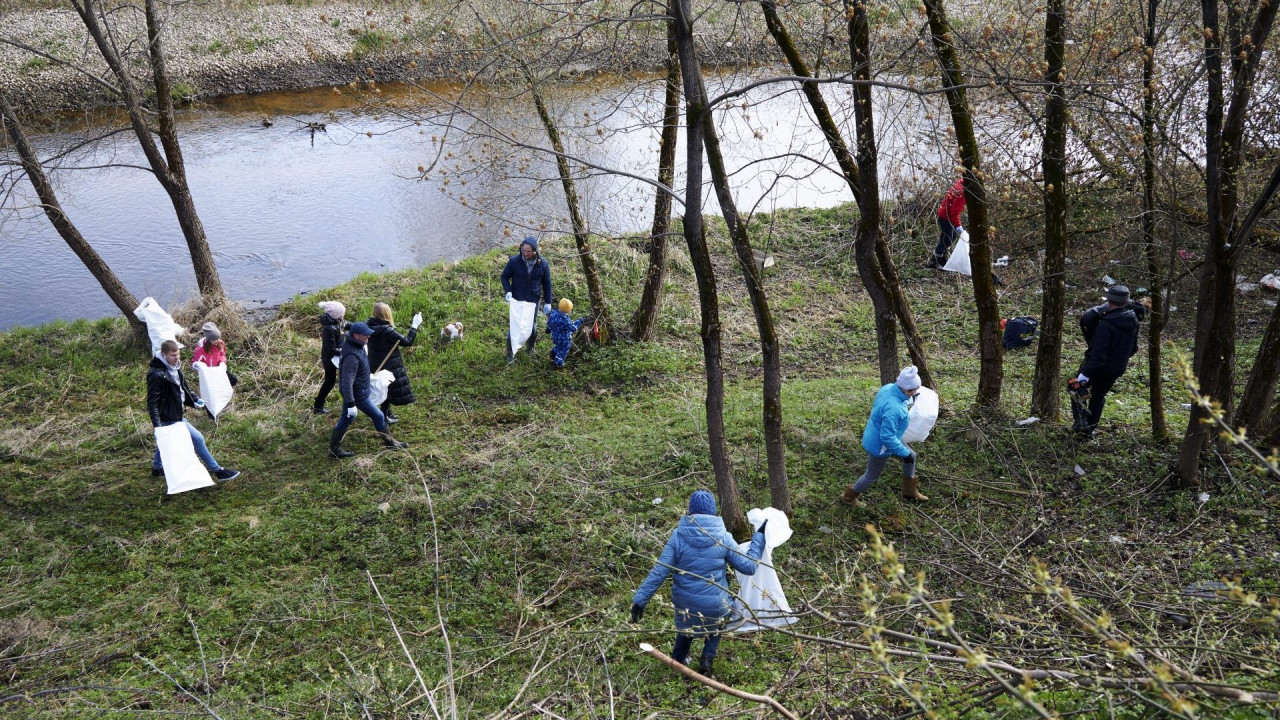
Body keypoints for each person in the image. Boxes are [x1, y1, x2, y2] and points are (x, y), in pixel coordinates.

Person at [630, 490, 767, 676]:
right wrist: (759, 538)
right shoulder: (723, 537)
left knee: (686, 627)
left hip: (686, 605)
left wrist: (639, 601)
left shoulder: (678, 536)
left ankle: (678, 660)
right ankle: (707, 660)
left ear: (690, 512)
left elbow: (659, 571)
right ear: (713, 512)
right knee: (717, 622)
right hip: (716, 605)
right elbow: (749, 567)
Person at [147, 339, 239, 483]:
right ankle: (218, 471)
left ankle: (157, 468)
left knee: (165, 442)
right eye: (173, 355)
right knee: (198, 439)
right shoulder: (156, 374)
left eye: (178, 354)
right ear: (164, 354)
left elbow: (183, 387)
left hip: (175, 413)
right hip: (168, 416)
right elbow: (152, 402)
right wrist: (158, 426)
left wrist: (195, 399)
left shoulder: (174, 366)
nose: (177, 358)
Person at [841, 366, 929, 505]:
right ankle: (849, 497)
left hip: (879, 433)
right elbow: (887, 438)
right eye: (911, 390)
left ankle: (909, 490)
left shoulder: (888, 388)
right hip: (880, 445)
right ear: (902, 387)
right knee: (871, 475)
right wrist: (902, 453)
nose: (914, 393)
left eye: (915, 389)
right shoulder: (894, 409)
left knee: (911, 456)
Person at [329, 322, 409, 458]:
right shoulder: (352, 356)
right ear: (356, 335)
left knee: (346, 418)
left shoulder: (356, 345)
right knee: (378, 416)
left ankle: (334, 450)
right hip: (357, 395)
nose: (368, 337)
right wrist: (351, 403)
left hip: (358, 391)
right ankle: (391, 443)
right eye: (365, 335)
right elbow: (347, 382)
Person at [1071, 285, 1141, 439]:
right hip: (1117, 368)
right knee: (1098, 395)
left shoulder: (1106, 324)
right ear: (1126, 302)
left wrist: (1085, 374)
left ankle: (1081, 423)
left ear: (1109, 300)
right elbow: (1133, 348)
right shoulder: (1133, 320)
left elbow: (1098, 356)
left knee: (1076, 388)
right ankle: (1089, 431)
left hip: (1099, 367)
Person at [366, 302, 422, 423]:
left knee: (383, 388)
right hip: (389, 364)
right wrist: (415, 326)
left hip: (374, 363)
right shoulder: (387, 331)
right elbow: (407, 341)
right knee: (387, 388)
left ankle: (386, 413)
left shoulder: (368, 327)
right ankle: (384, 416)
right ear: (386, 313)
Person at [501, 236, 553, 363]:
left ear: (534, 251)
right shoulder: (514, 261)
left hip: (532, 300)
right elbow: (504, 277)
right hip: (517, 299)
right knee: (515, 327)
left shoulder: (543, 264)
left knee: (532, 327)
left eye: (528, 251)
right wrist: (508, 291)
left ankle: (529, 349)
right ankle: (510, 354)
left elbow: (547, 283)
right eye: (524, 250)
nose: (526, 253)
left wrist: (548, 302)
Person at [314, 301, 348, 414]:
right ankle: (318, 405)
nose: (344, 316)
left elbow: (349, 325)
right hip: (330, 359)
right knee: (330, 381)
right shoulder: (329, 328)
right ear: (337, 315)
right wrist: (346, 352)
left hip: (339, 356)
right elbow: (331, 349)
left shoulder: (339, 321)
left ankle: (349, 402)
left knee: (343, 379)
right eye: (342, 314)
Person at [927, 177, 966, 269]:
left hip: (944, 213)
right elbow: (954, 212)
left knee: (951, 237)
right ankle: (934, 260)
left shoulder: (960, 182)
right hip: (946, 216)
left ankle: (942, 258)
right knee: (948, 239)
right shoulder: (962, 193)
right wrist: (958, 226)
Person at [191, 322, 237, 386]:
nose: (217, 341)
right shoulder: (201, 349)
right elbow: (194, 363)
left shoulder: (220, 343)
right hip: (208, 373)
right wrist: (201, 367)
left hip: (218, 369)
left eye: (218, 338)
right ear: (208, 340)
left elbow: (222, 354)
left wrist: (222, 363)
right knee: (212, 387)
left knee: (233, 380)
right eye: (214, 339)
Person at [544, 298, 585, 368]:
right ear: (568, 310)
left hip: (555, 337)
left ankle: (553, 353)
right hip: (564, 339)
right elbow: (573, 329)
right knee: (563, 350)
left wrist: (548, 329)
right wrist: (579, 321)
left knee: (558, 345)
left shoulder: (553, 313)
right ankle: (558, 363)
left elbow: (549, 322)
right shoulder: (565, 320)